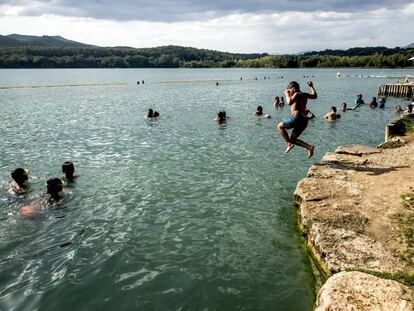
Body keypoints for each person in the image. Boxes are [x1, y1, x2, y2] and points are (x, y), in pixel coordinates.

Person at [277, 81, 317, 158]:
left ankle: (289, 143)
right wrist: (311, 86)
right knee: (293, 139)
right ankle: (309, 147)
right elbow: (314, 96)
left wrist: (286, 94)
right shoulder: (304, 94)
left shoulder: (296, 94)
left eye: (289, 90)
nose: (289, 92)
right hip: (304, 120)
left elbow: (289, 102)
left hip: (296, 117)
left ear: (293, 88)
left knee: (280, 126)